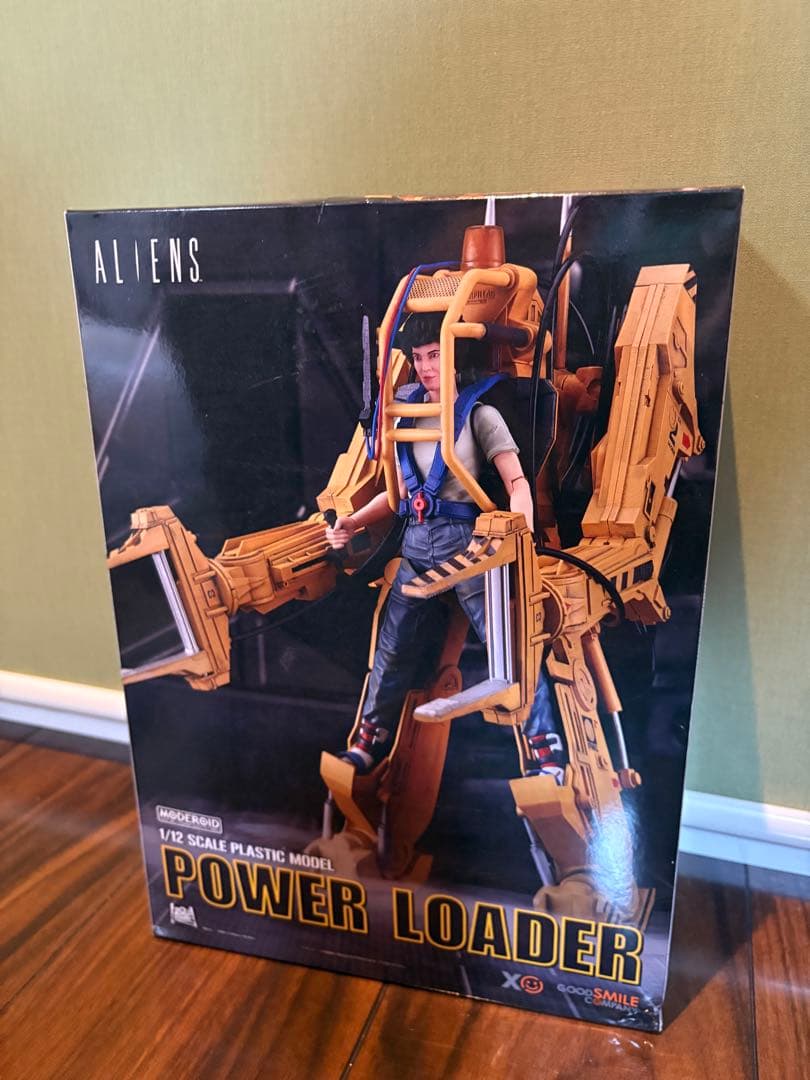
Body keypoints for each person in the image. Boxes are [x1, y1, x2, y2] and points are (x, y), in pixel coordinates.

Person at [326, 313, 534, 773]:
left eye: (435, 355)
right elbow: (397, 493)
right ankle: (369, 738)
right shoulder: (406, 415)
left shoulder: (480, 415)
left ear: (454, 357)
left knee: (509, 646)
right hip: (417, 545)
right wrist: (353, 522)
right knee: (391, 647)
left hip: (468, 547)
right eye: (419, 357)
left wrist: (522, 538)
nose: (425, 367)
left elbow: (517, 483)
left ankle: (543, 744)